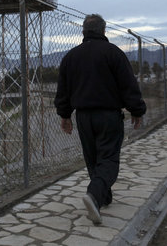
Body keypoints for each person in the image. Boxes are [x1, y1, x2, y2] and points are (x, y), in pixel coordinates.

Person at [54, 14, 146, 225]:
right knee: (109, 159)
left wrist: (65, 115)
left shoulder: (71, 57)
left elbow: (63, 90)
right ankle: (94, 195)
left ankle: (103, 197)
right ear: (104, 31)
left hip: (83, 117)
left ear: (84, 32)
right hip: (108, 115)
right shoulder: (114, 54)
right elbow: (128, 86)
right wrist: (137, 110)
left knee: (93, 159)